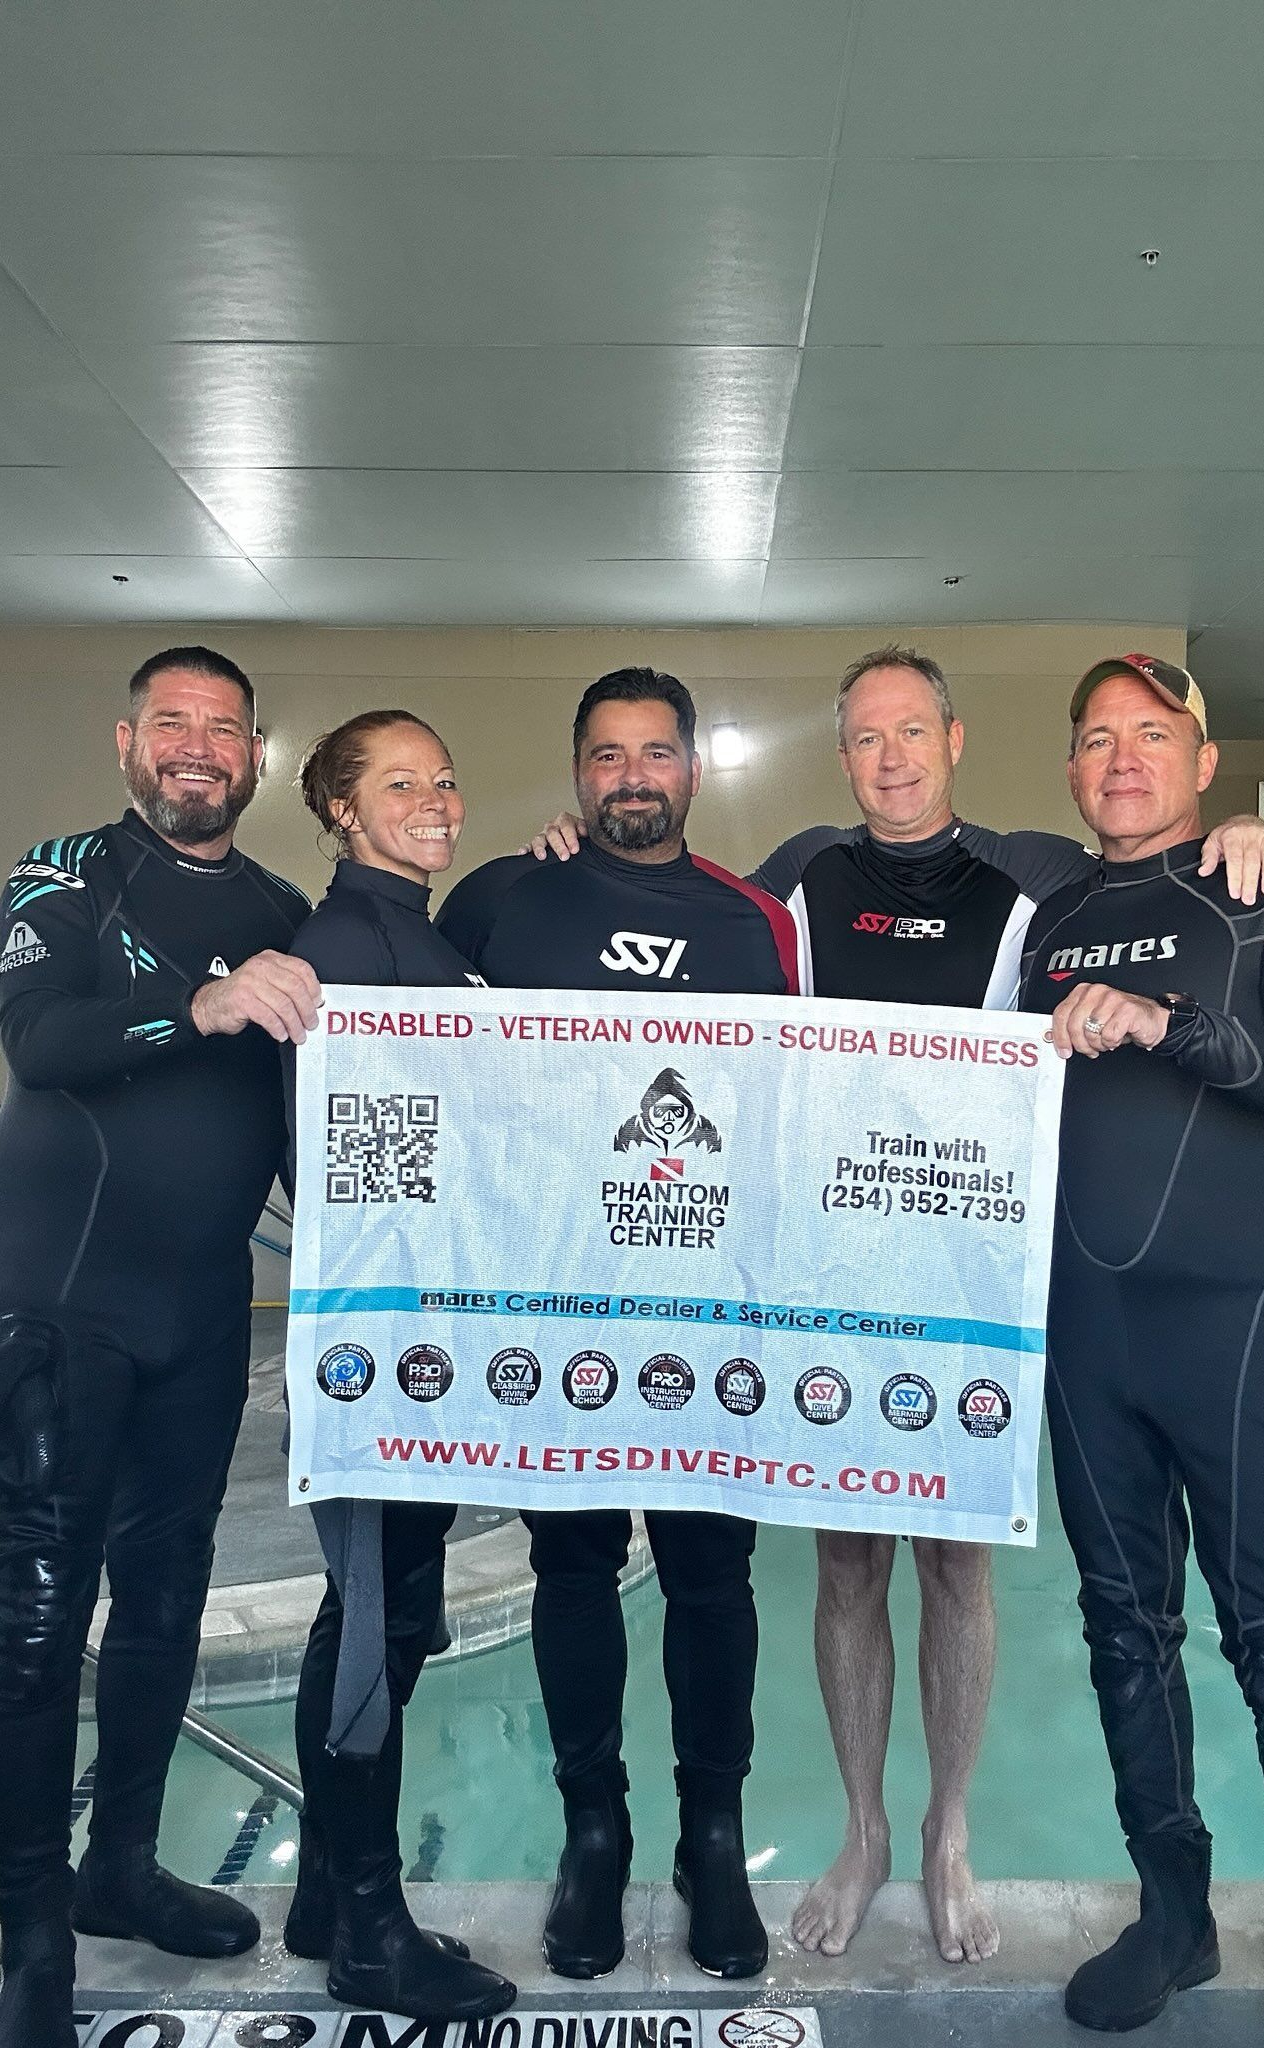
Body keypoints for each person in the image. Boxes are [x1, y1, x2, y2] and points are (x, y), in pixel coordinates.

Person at [529, 644, 1264, 1967]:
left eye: (911, 733)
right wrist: (575, 852)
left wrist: (1232, 827)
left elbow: (1149, 871)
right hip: (828, 1277)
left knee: (955, 1562)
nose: (889, 757)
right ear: (844, 755)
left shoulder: (1039, 876)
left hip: (970, 1278)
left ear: (953, 740)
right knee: (843, 1564)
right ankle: (863, 1828)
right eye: (865, 737)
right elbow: (674, 912)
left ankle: (947, 1829)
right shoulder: (797, 883)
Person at [1017, 655, 1264, 2044]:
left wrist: (1175, 1030)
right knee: (1123, 1630)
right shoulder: (1052, 911)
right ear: (1067, 770)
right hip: (1088, 1336)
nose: (1122, 758)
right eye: (1096, 736)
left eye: (1150, 736)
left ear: (1203, 760)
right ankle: (1174, 1915)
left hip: (1235, 1325)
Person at [0, 647, 321, 2048]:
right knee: (39, 1620)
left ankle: (121, 1866)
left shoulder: (283, 913)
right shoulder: (62, 874)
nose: (197, 745)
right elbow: (42, 1041)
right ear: (130, 744)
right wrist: (208, 1000)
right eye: (172, 721)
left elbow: (312, 1130)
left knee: (166, 1597)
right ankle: (34, 1944)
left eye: (222, 727)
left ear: (253, 755)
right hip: (54, 1307)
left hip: (195, 1318)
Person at [436, 667, 799, 1984]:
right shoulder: (500, 900)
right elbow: (402, 1037)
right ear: (576, 771)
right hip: (559, 1306)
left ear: (693, 771)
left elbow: (814, 1106)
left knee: (713, 1580)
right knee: (573, 1572)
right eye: (606, 755)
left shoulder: (761, 922)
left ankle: (713, 1835)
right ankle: (597, 1832)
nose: (630, 776)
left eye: (655, 754)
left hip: (714, 1316)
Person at [279, 709, 515, 2024]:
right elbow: (344, 1168)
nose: (434, 799)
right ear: (339, 810)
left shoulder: (420, 941)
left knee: (384, 1615)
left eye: (444, 777)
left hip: (428, 1346)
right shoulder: (341, 951)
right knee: (375, 1621)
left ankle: (324, 1887)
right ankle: (369, 1927)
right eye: (400, 783)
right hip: (379, 1351)